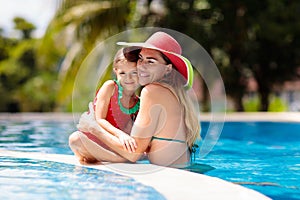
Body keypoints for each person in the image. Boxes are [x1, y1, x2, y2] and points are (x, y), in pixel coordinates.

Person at [73, 31, 200, 167]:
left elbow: (133, 154)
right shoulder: (172, 92)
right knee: (78, 142)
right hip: (180, 169)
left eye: (150, 61)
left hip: (169, 174)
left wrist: (93, 128)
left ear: (168, 69)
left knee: (76, 140)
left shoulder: (151, 91)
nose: (141, 66)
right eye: (140, 58)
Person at [69, 48, 140, 163]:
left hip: (112, 144)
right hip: (94, 138)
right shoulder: (110, 87)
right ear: (115, 71)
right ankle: (119, 160)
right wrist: (121, 135)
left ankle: (96, 157)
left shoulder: (138, 103)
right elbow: (100, 119)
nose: (128, 78)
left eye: (134, 72)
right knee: (75, 139)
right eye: (123, 73)